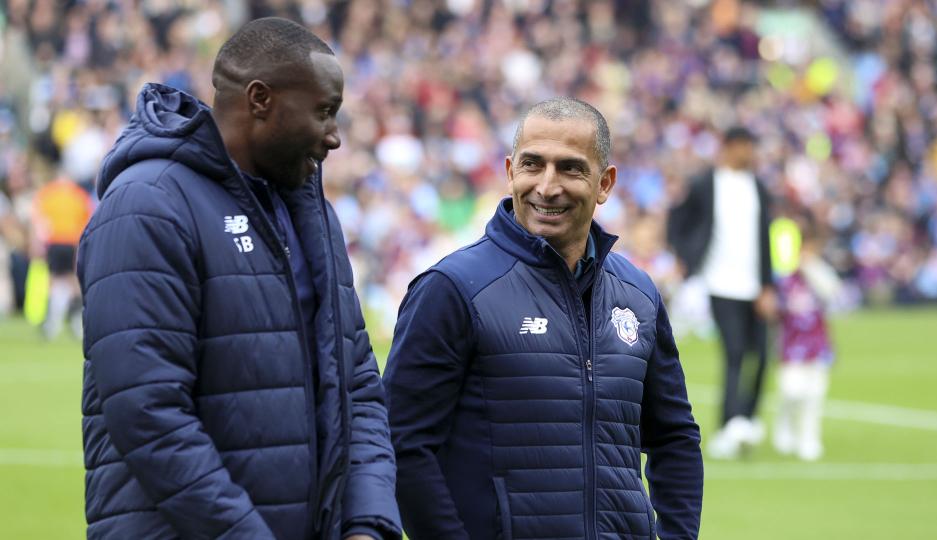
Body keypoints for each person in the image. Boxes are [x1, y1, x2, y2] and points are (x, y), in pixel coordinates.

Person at [79, 18, 400, 540]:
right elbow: (149, 412)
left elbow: (357, 383)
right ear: (260, 100)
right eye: (324, 111)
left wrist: (366, 523)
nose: (335, 136)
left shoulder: (312, 212)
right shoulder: (148, 205)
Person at [384, 98, 703, 540]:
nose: (547, 187)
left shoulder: (638, 293)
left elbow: (674, 438)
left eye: (570, 169)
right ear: (511, 170)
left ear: (605, 183)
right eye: (533, 165)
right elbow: (404, 445)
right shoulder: (452, 288)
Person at [667, 126, 777, 459]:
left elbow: (764, 240)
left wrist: (768, 285)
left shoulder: (757, 186)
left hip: (753, 285)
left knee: (762, 354)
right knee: (734, 353)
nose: (749, 153)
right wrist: (687, 258)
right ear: (728, 147)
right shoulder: (705, 184)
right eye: (744, 146)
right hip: (720, 283)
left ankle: (747, 417)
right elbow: (678, 221)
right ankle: (730, 424)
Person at [770, 215, 841, 461]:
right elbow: (774, 309)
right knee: (792, 391)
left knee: (815, 394)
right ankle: (785, 423)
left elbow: (833, 292)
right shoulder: (783, 278)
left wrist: (812, 268)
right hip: (790, 344)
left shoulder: (817, 275)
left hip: (817, 343)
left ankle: (809, 438)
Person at [31, 174, 92, 338]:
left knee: (55, 280)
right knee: (73, 281)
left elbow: (38, 219)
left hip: (55, 241)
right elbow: (87, 220)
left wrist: (39, 241)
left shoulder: (47, 193)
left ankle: (53, 322)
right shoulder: (79, 195)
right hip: (71, 241)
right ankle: (76, 322)